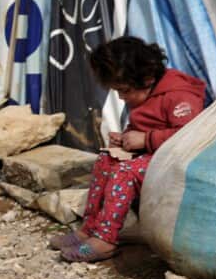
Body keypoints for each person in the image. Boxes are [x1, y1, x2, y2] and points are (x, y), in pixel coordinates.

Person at [51, 36, 206, 262]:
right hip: (152, 156)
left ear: (147, 77)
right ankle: (89, 229)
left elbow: (191, 137)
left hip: (177, 162)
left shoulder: (179, 95)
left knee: (125, 172)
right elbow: (143, 127)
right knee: (105, 161)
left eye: (124, 90)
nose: (122, 97)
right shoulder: (144, 94)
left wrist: (145, 139)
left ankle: (105, 240)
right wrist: (124, 140)